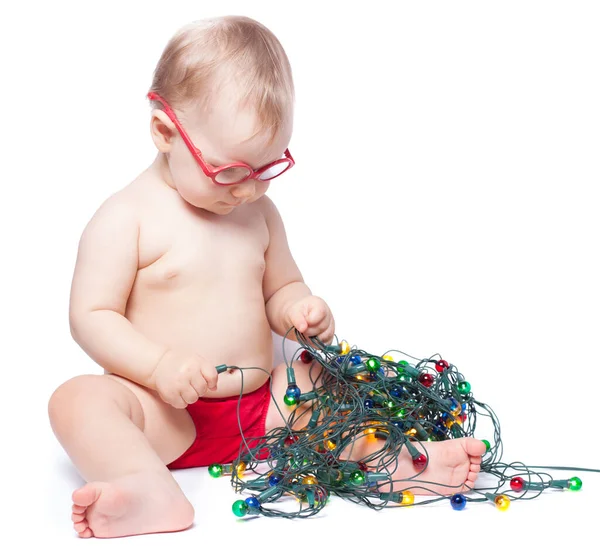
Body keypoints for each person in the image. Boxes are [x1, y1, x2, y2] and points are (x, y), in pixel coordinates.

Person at [48, 15, 486, 539]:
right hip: (164, 416)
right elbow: (90, 317)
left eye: (266, 167)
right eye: (230, 171)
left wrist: (300, 309)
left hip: (264, 416)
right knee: (77, 401)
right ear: (165, 130)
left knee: (319, 377)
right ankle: (146, 488)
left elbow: (280, 288)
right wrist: (158, 365)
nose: (248, 189)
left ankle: (395, 463)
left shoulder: (258, 213)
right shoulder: (127, 217)